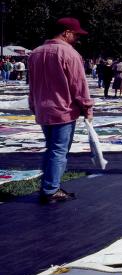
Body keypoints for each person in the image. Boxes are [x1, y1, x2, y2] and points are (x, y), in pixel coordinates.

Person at [28, 18, 94, 204]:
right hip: (62, 109)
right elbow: (79, 85)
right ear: (66, 32)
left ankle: (48, 185)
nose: (77, 38)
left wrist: (33, 105)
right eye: (76, 34)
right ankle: (51, 190)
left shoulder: (35, 52)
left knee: (51, 148)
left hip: (43, 108)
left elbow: (31, 84)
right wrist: (87, 108)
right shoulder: (69, 53)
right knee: (59, 150)